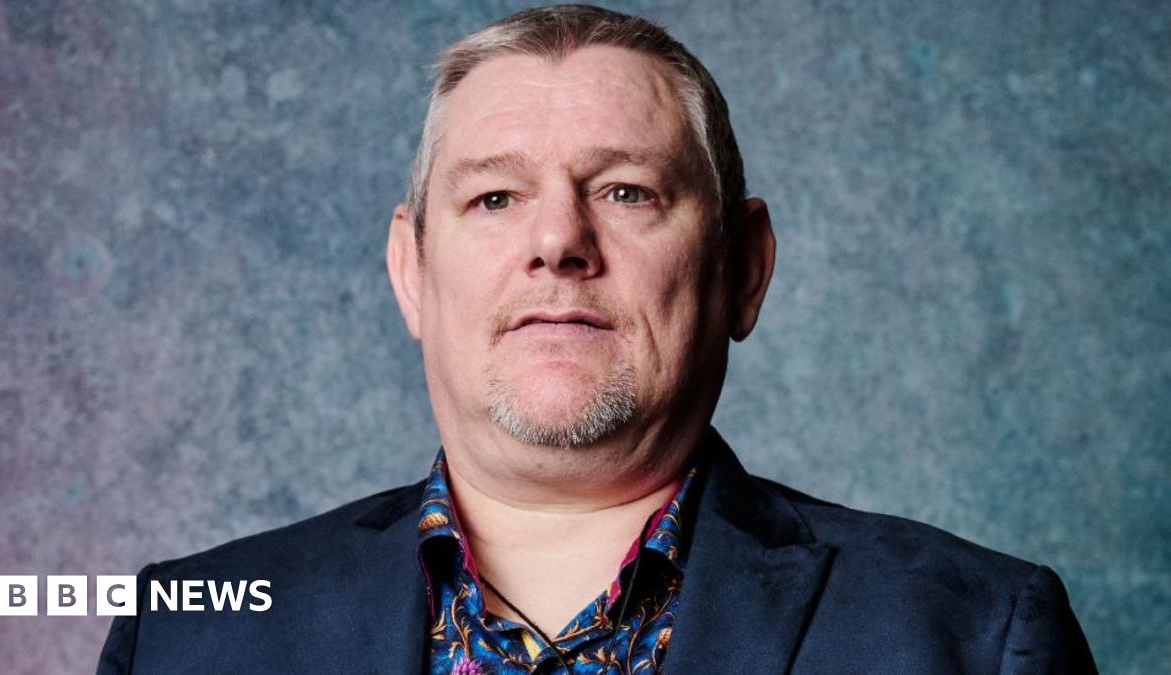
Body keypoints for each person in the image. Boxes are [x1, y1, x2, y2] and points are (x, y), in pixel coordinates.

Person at [97, 5, 1095, 673]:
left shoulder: (975, 637)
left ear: (743, 267)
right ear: (413, 270)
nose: (558, 242)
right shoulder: (190, 634)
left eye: (626, 190)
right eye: (495, 196)